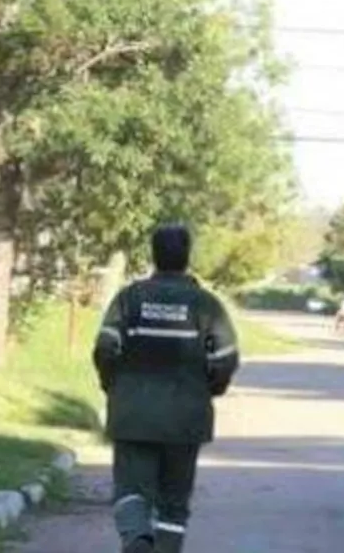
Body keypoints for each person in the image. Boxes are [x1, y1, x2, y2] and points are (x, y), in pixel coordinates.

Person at [92, 224, 241, 553]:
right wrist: (210, 389)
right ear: (187, 257)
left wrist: (113, 386)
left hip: (132, 414)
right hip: (186, 418)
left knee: (130, 489)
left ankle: (136, 538)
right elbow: (226, 358)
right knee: (174, 502)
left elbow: (105, 348)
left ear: (153, 255)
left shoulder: (129, 299)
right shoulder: (206, 305)